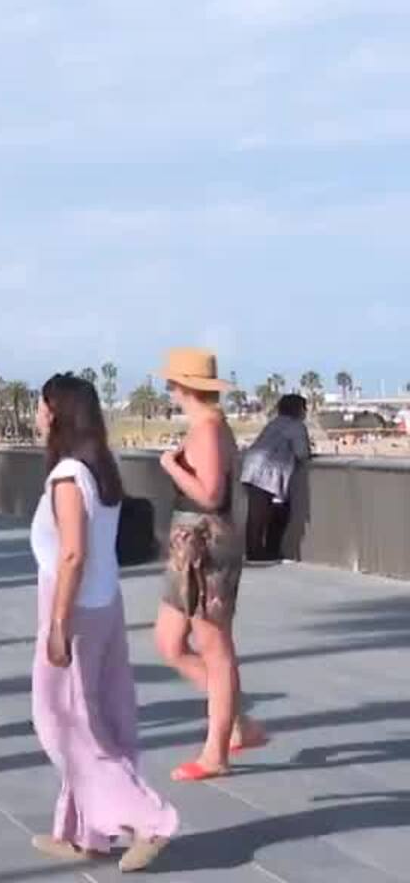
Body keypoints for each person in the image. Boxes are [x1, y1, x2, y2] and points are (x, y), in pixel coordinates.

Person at [27, 374, 177, 871]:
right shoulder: (99, 469)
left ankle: (148, 820)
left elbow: (72, 554)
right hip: (105, 604)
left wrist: (57, 625)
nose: (36, 414)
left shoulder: (68, 476)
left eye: (41, 405)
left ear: (57, 413)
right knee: (98, 719)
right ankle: (84, 834)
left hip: (75, 611)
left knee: (66, 726)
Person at [154, 348, 267, 783]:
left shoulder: (207, 428)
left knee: (214, 646)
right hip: (190, 546)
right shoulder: (205, 426)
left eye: (172, 383)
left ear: (183, 386)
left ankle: (216, 751)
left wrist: (169, 465)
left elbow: (210, 494)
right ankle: (239, 722)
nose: (170, 389)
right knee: (170, 641)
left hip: (205, 546)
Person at [241, 393, 311, 563]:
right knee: (275, 514)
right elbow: (301, 453)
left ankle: (256, 552)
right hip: (268, 473)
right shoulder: (296, 426)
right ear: (299, 410)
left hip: (252, 469)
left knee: (258, 516)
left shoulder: (274, 423)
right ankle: (266, 551)